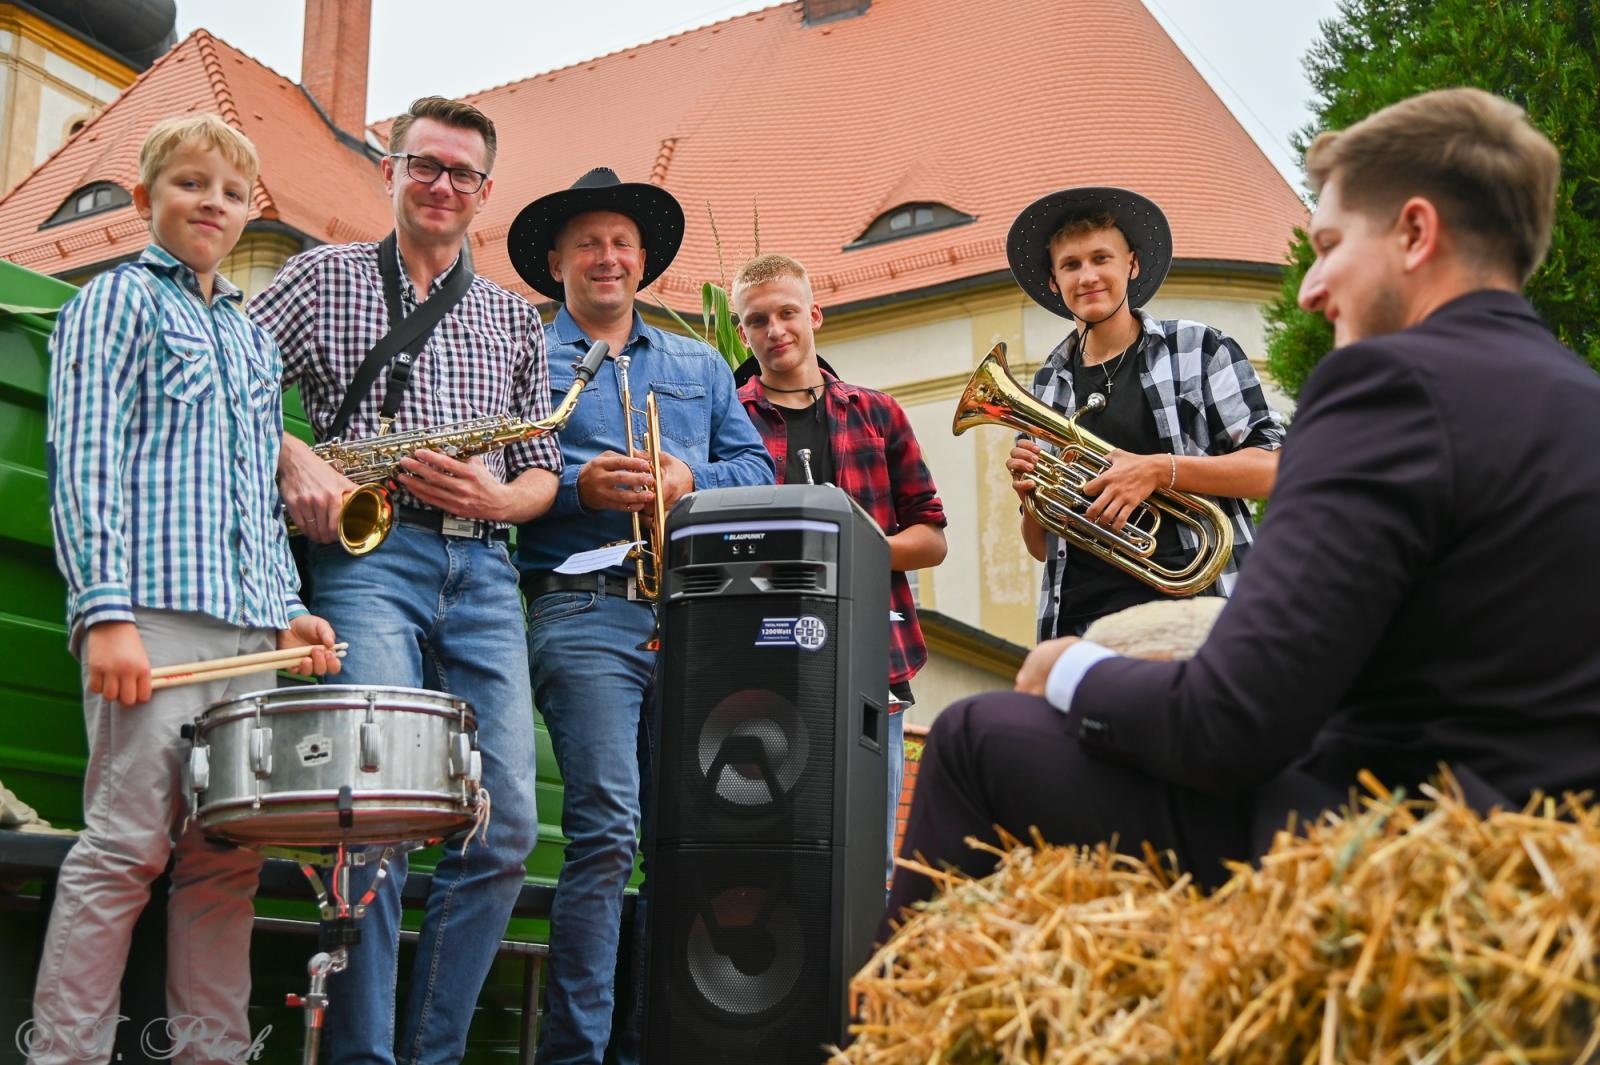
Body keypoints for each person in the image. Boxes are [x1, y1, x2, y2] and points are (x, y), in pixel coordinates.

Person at [886, 87, 1600, 928]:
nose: (1311, 290)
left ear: (1414, 233)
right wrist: (1037, 496)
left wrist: (1067, 670)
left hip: (1377, 839)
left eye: (1329, 246)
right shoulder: (1579, 397)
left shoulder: (1381, 385)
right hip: (1525, 841)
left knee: (971, 733)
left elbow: (1232, 723)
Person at [250, 97, 562, 1065]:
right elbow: (231, 380)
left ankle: (430, 1054)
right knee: (373, 807)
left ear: (485, 193)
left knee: (505, 824)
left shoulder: (515, 316)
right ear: (390, 169)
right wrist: (293, 454)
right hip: (364, 558)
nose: (440, 186)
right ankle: (363, 1057)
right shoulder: (319, 276)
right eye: (423, 165)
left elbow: (543, 468)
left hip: (479, 563)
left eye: (460, 174)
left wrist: (501, 499)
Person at [30, 113, 340, 1065]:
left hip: (252, 629)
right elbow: (83, 462)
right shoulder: (116, 302)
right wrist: (106, 613)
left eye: (232, 193)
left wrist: (289, 604)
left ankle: (209, 1055)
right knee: (126, 849)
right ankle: (63, 1054)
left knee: (226, 862)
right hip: (154, 621)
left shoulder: (249, 340)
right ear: (144, 199)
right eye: (191, 184)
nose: (213, 203)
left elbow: (258, 490)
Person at [505, 167, 775, 1065]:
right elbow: (498, 489)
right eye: (588, 242)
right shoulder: (520, 354)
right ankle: (575, 1054)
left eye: (621, 242)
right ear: (556, 260)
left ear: (644, 258)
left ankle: (655, 1046)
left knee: (687, 839)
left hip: (694, 614)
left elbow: (759, 473)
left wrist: (688, 478)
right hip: (581, 606)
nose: (608, 256)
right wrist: (575, 489)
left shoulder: (699, 363)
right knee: (608, 831)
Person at [729, 253, 947, 882]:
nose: (775, 330)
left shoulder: (878, 414)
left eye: (788, 313)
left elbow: (931, 539)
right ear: (742, 332)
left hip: (872, 659)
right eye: (758, 320)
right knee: (762, 858)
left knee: (866, 862)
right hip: (757, 662)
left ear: (815, 314)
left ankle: (857, 985)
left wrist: (847, 545)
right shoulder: (727, 418)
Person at [1004, 187, 1284, 640]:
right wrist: (1035, 496)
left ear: (1131, 264)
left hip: (1192, 614)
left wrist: (1158, 470)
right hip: (1079, 624)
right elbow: (1041, 548)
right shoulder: (1044, 386)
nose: (1087, 276)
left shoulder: (1199, 349)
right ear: (1054, 282)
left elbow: (1273, 468)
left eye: (1101, 259)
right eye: (1071, 265)